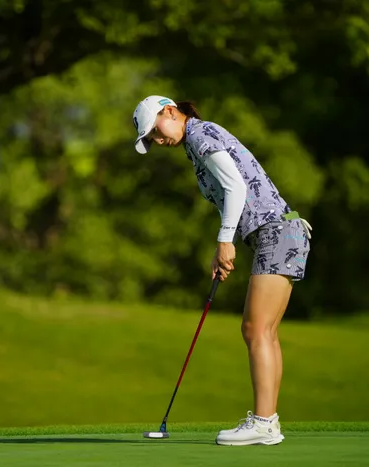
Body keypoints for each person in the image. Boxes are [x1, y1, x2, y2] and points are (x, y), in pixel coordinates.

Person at [132, 95, 313, 446]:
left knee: (255, 329)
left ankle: (263, 423)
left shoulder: (199, 135)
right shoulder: (195, 142)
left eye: (154, 130)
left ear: (169, 111)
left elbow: (235, 187)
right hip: (280, 233)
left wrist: (224, 241)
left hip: (276, 233)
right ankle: (269, 422)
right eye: (151, 138)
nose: (157, 140)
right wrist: (224, 248)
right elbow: (230, 196)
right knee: (265, 332)